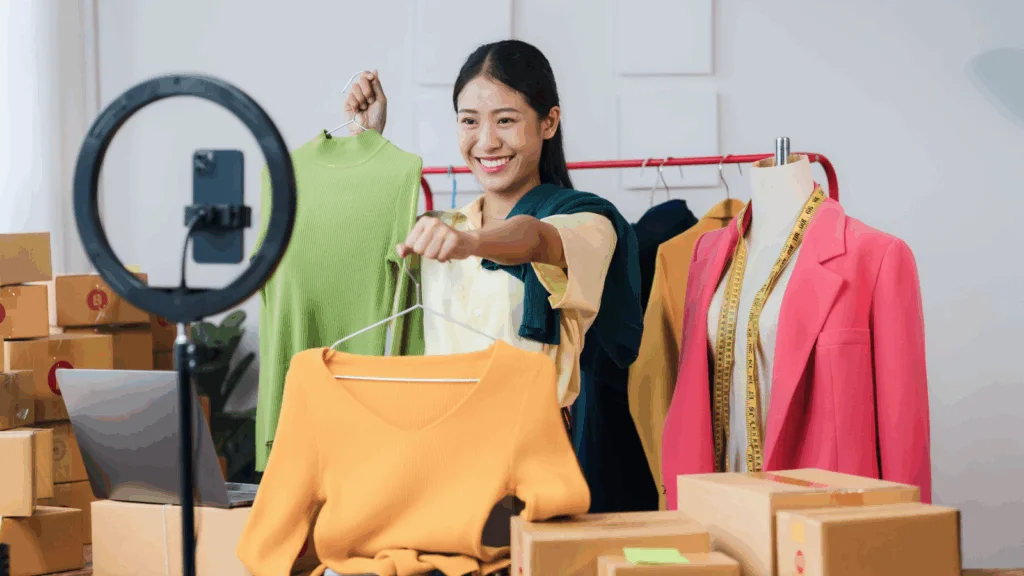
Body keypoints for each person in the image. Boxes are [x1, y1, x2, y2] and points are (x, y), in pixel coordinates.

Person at [342, 40, 643, 434]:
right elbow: (352, 255)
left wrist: (470, 243)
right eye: (469, 121)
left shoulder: (587, 221)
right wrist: (366, 140)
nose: (486, 142)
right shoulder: (438, 227)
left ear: (548, 122)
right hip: (432, 448)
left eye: (505, 120)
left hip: (525, 456)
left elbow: (535, 238)